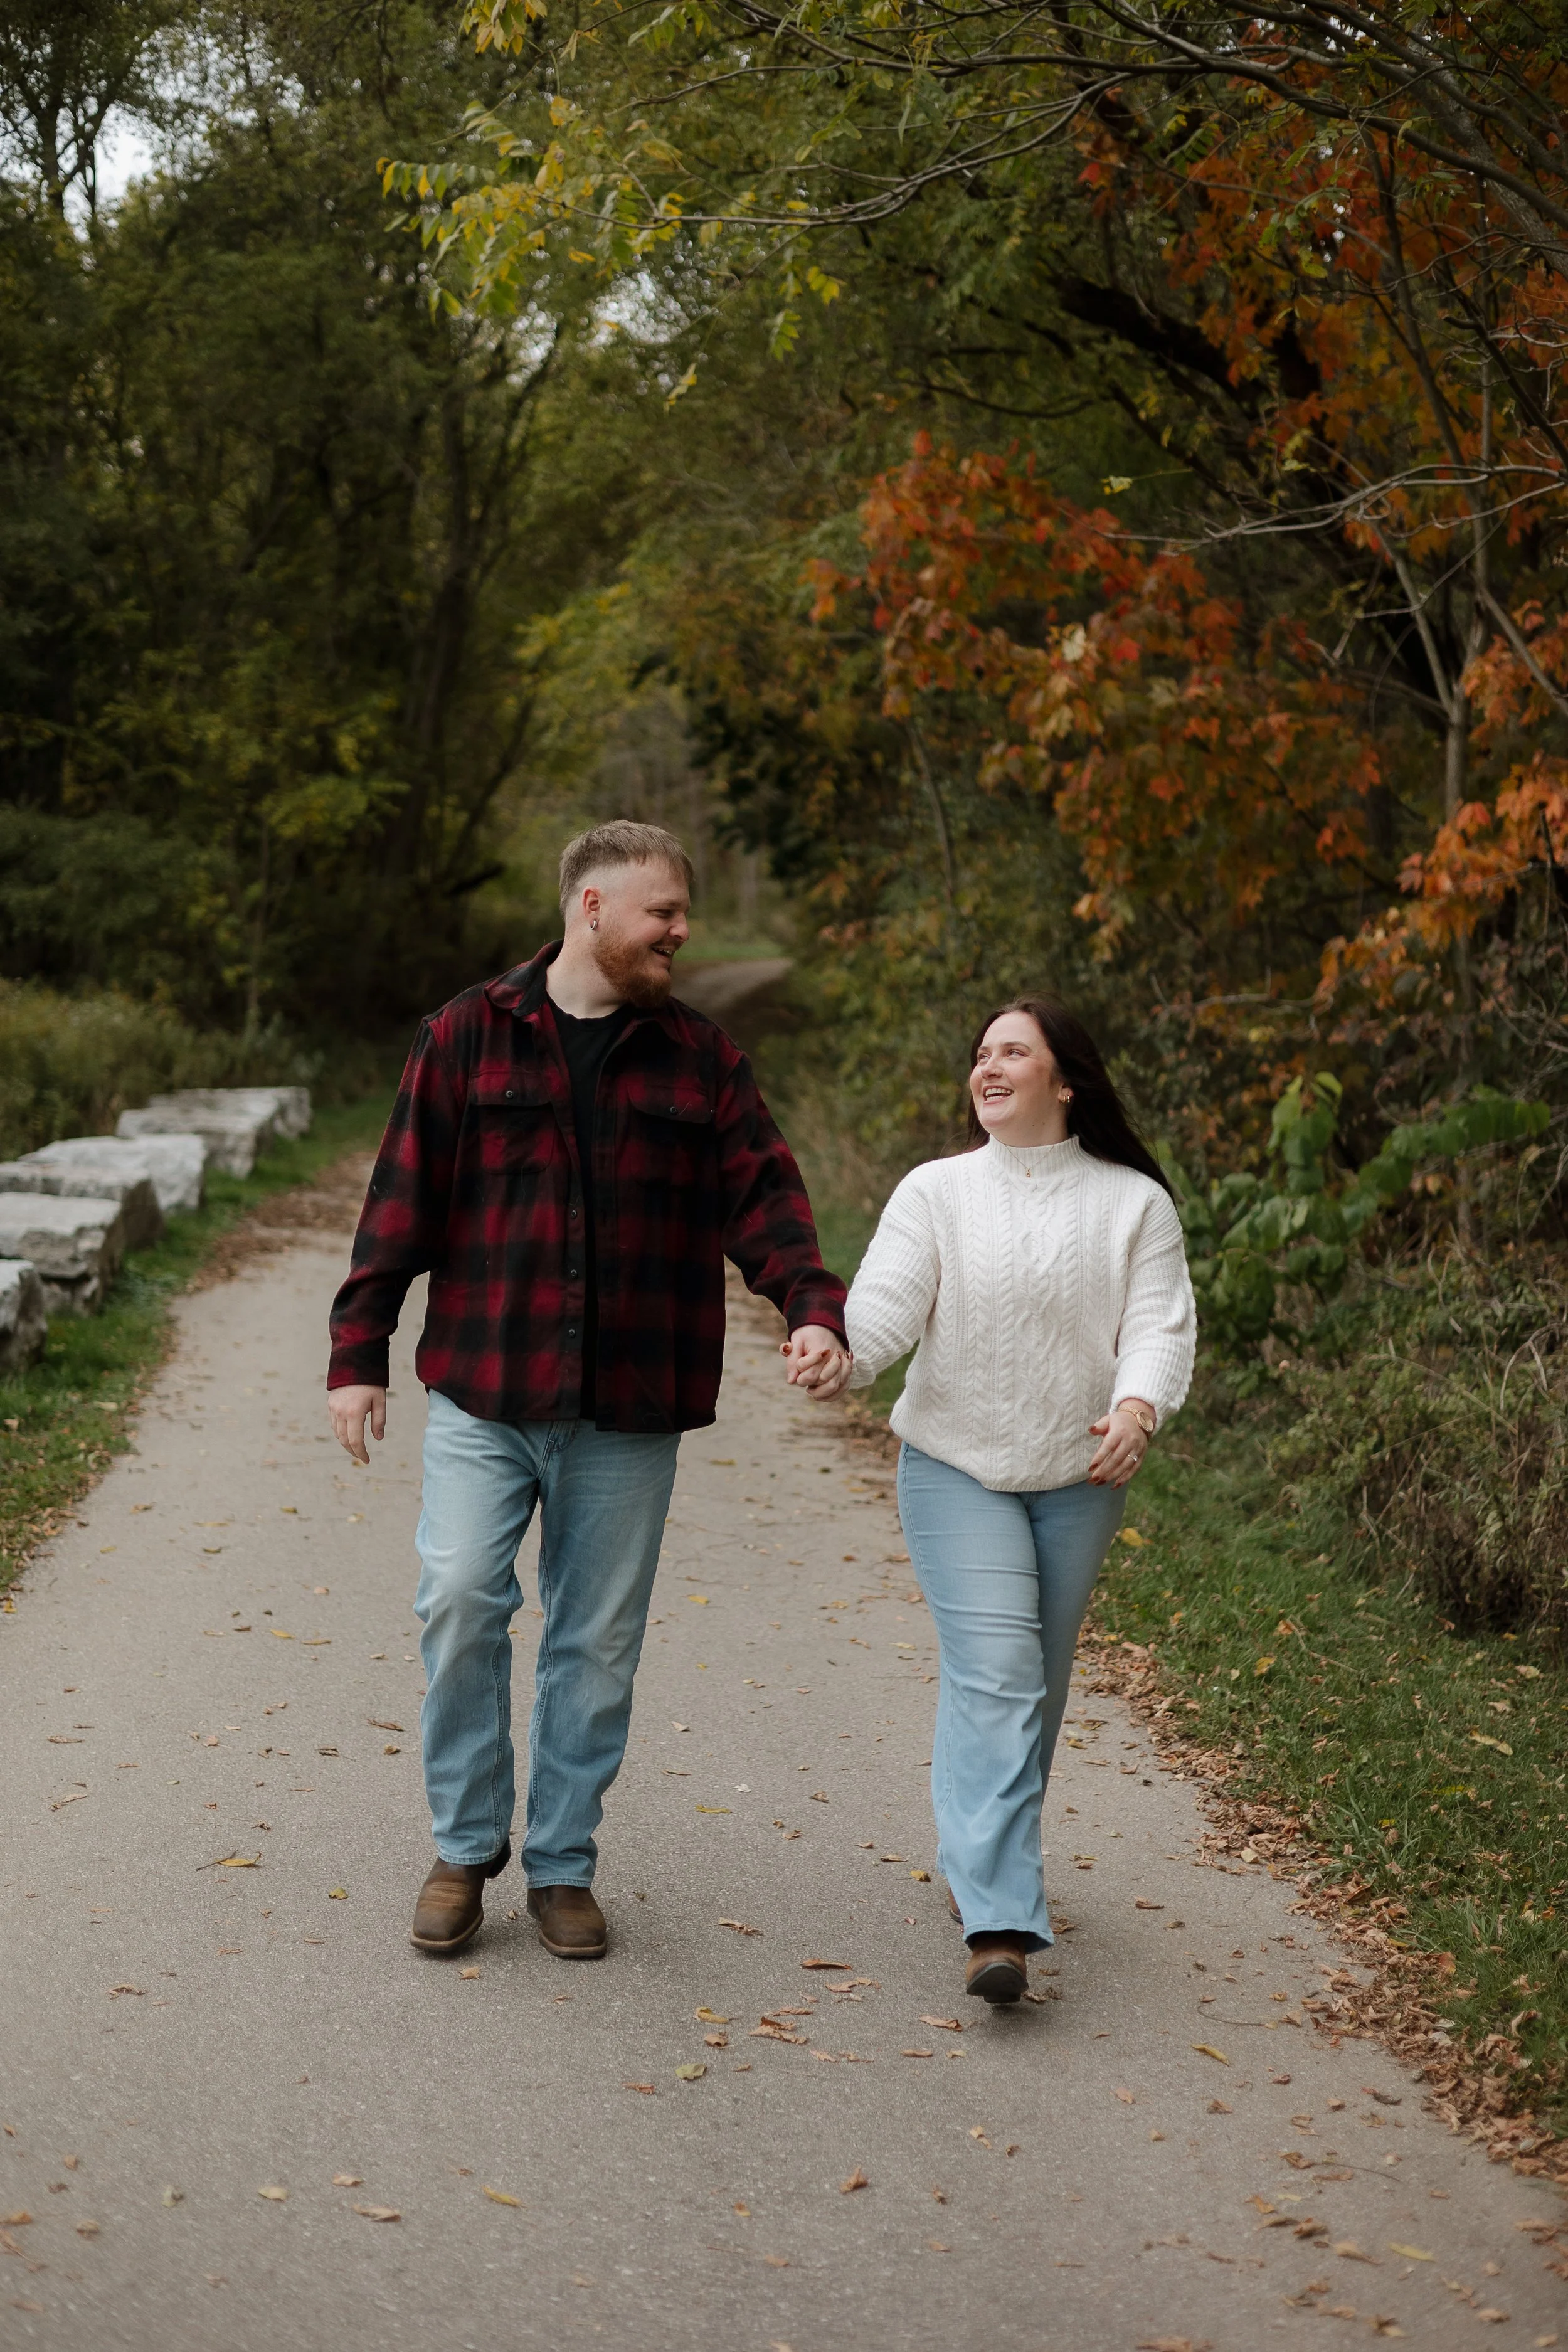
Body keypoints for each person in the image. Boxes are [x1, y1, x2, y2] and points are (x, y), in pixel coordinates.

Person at [326, 820, 852, 1962]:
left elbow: (763, 1198)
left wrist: (811, 1304)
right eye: (664, 912)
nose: (681, 931)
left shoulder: (702, 1059)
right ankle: (466, 1847)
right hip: (485, 1389)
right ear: (594, 906)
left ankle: (563, 1863)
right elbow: (401, 1196)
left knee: (596, 1642)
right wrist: (358, 1347)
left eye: (684, 914)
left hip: (630, 1406)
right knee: (461, 1599)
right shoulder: (466, 1035)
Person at [844, 999, 1195, 2005]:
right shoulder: (938, 1191)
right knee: (999, 1668)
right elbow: (884, 1308)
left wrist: (1137, 1407)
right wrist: (843, 1353)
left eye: (1013, 1051)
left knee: (1027, 1678)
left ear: (1065, 1078)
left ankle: (974, 1855)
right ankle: (1000, 1916)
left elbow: (1159, 1326)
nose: (988, 1067)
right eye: (980, 1052)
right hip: (956, 1465)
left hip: (1079, 1476)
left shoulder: (1133, 1202)